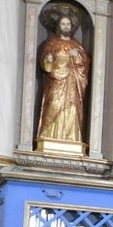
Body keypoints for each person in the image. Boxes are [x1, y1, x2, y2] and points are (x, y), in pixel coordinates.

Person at [35, 8, 90, 147]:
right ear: (58, 26)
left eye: (68, 24)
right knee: (53, 105)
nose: (66, 26)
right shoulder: (51, 44)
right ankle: (49, 136)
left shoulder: (77, 46)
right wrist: (48, 60)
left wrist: (76, 56)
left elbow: (84, 65)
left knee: (72, 108)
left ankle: (71, 137)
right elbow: (45, 65)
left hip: (72, 84)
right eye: (63, 24)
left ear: (72, 27)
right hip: (56, 83)